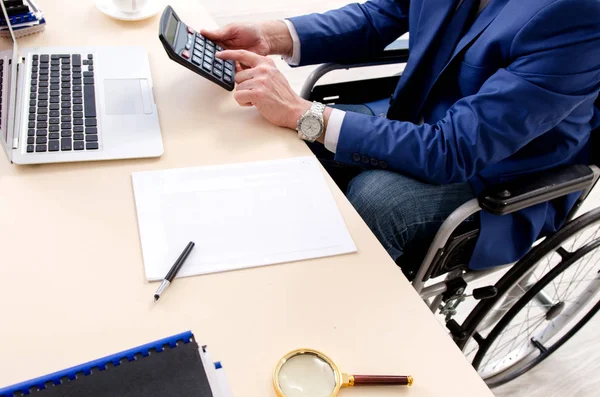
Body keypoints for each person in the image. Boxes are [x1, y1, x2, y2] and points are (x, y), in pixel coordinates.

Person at [205, 0, 600, 278]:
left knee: (376, 199)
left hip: (503, 172)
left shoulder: (576, 13)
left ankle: (340, 323)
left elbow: (453, 148)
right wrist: (271, 37)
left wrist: (301, 113)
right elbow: (382, 14)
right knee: (286, 141)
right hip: (421, 122)